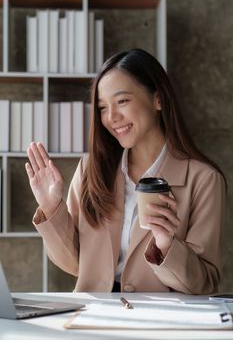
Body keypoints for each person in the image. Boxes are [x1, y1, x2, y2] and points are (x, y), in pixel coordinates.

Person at [25, 48, 226, 294]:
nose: (111, 118)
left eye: (122, 101)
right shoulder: (90, 170)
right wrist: (50, 207)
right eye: (102, 107)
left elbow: (204, 283)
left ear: (158, 98)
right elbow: (76, 264)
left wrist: (166, 245)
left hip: (159, 324)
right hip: (95, 317)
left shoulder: (203, 180)